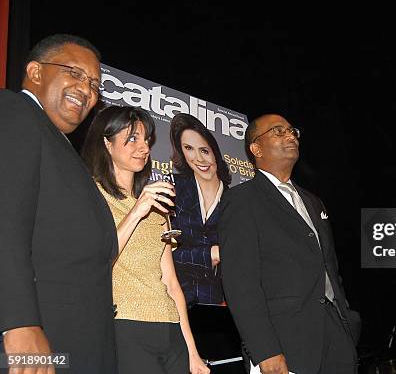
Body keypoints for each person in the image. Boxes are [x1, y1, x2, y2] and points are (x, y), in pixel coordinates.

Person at [0, 34, 117, 373]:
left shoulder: (61, 148)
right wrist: (18, 322)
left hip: (74, 343)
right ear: (35, 72)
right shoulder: (14, 111)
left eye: (95, 84)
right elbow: (4, 217)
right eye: (74, 73)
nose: (87, 89)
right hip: (37, 345)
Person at [219, 114, 360, 374]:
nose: (290, 135)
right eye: (278, 131)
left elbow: (330, 269)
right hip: (285, 344)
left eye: (292, 130)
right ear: (256, 148)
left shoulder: (314, 202)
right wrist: (265, 350)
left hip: (336, 336)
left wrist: (347, 322)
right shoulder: (242, 200)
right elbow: (240, 283)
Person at [81, 105, 209, 374]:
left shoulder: (156, 208)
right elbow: (97, 260)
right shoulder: (91, 195)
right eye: (132, 139)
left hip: (171, 329)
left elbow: (171, 283)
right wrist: (136, 211)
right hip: (125, 328)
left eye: (146, 140)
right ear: (107, 143)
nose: (143, 147)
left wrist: (192, 351)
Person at [169, 113, 232, 306]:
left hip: (220, 306)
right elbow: (164, 254)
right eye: (188, 148)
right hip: (175, 300)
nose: (198, 159)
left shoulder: (236, 201)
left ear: (215, 152)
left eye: (204, 151)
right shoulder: (172, 189)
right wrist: (212, 254)